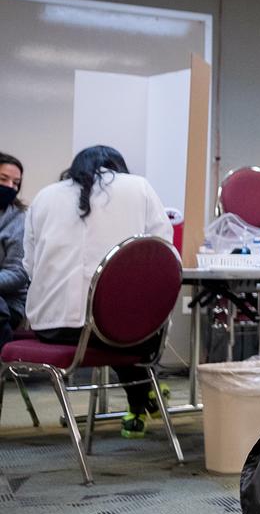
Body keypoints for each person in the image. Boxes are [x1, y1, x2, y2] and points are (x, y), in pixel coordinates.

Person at [24, 145, 173, 439]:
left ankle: (141, 401)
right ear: (119, 167)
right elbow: (162, 254)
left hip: (53, 328)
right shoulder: (139, 188)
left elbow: (30, 265)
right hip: (119, 333)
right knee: (130, 333)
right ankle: (143, 396)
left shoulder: (44, 196)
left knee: (111, 332)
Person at [0, 152, 29, 348]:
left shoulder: (19, 220)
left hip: (9, 304)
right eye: (3, 179)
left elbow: (18, 273)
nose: (11, 186)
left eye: (16, 182)